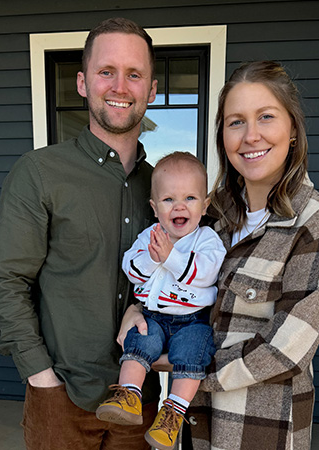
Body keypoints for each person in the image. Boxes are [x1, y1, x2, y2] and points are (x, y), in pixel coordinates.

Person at [119, 60, 319, 450]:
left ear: (292, 130)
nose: (250, 135)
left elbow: (285, 349)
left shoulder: (315, 225)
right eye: (235, 121)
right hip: (188, 423)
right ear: (222, 135)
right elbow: (174, 280)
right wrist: (138, 310)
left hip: (258, 428)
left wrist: (186, 364)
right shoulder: (212, 211)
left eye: (266, 117)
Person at [0, 17, 162, 450]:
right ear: (83, 82)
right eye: (106, 72)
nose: (121, 86)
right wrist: (40, 377)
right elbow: (5, 280)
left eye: (134, 74)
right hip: (61, 400)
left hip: (141, 399)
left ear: (151, 90)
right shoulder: (40, 173)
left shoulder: (164, 192)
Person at [96, 152, 226, 450]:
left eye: (190, 198)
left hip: (193, 320)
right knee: (138, 341)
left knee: (193, 354)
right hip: (153, 317)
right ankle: (128, 394)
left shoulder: (206, 239)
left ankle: (173, 413)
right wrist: (155, 259)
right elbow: (130, 267)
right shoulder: (149, 236)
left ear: (205, 205)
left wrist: (171, 257)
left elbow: (206, 273)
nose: (179, 206)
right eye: (168, 200)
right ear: (155, 208)